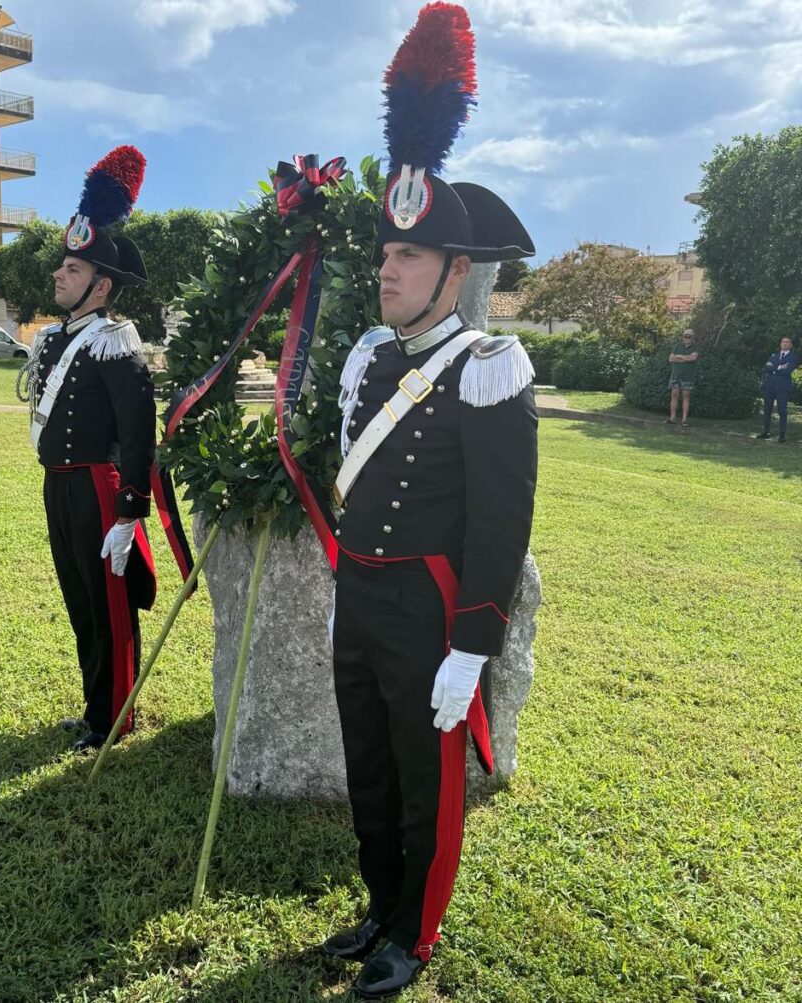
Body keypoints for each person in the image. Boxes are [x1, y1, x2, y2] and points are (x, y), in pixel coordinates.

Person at [321, 6, 538, 998]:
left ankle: (414, 931)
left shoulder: (491, 366)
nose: (387, 269)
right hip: (359, 595)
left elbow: (501, 517)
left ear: (457, 271)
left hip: (428, 606)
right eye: (384, 254)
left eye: (408, 257)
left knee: (425, 781)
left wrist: (472, 643)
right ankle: (375, 901)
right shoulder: (368, 358)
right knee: (368, 767)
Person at [24, 146, 158, 753]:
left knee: (109, 608)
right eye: (62, 266)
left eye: (72, 270)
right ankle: (94, 706)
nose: (59, 274)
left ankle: (115, 716)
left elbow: (138, 432)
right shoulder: (56, 340)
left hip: (101, 493)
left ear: (101, 285)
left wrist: (130, 512)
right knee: (80, 600)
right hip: (60, 485)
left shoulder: (114, 342)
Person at [758, 336, 797, 442]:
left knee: (782, 411)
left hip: (782, 388)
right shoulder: (773, 356)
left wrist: (774, 368)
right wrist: (779, 367)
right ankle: (766, 432)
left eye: (787, 342)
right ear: (780, 344)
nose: (785, 343)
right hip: (769, 386)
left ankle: (782, 435)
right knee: (767, 410)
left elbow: (788, 370)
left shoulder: (793, 357)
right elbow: (767, 367)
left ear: (791, 345)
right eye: (783, 342)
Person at [667, 328, 699, 426]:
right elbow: (671, 359)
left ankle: (684, 420)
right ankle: (672, 418)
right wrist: (686, 358)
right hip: (675, 375)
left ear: (692, 338)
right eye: (685, 336)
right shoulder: (677, 346)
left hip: (688, 377)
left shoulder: (695, 347)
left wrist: (679, 356)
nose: (686, 338)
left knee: (686, 396)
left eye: (689, 336)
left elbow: (693, 358)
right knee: (674, 395)